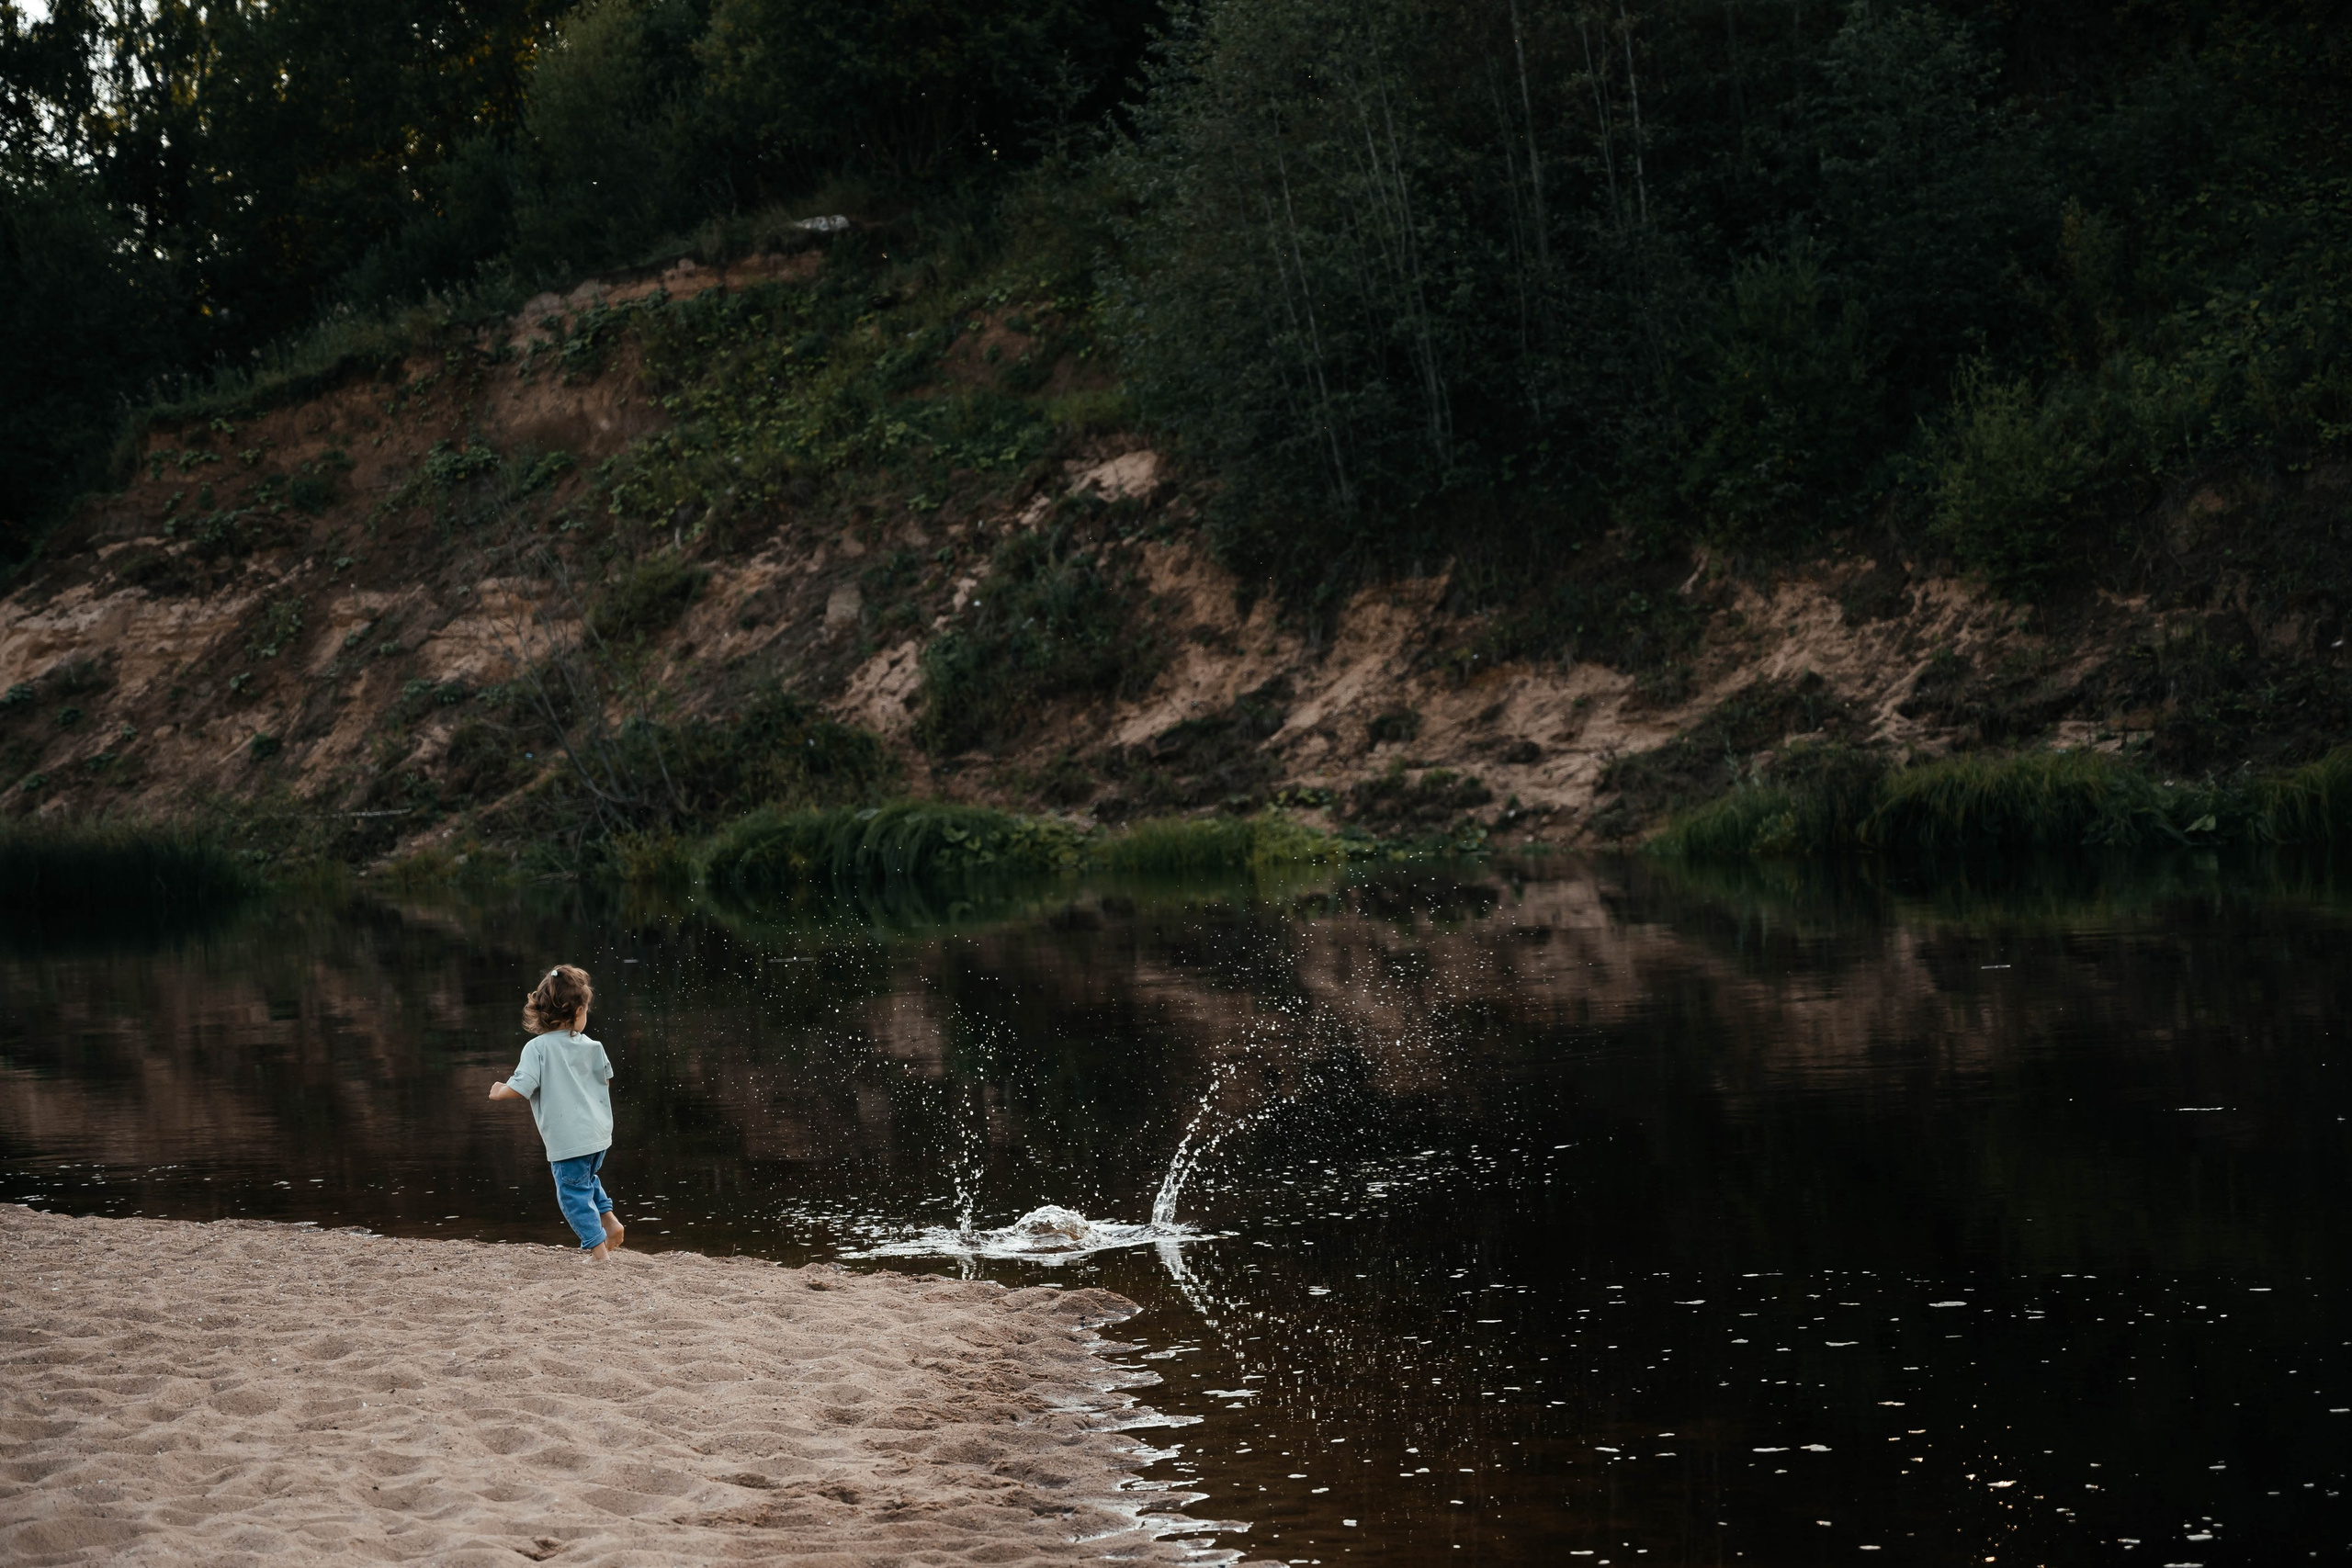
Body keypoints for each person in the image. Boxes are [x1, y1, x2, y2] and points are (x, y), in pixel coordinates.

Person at [490, 963, 624, 1260]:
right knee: (585, 1181)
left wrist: (499, 1090)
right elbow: (606, 1082)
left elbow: (521, 1086)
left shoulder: (537, 1049)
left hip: (569, 1142)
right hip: (598, 1137)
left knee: (571, 1194)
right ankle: (610, 1221)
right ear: (577, 1012)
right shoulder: (593, 1046)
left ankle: (599, 1253)